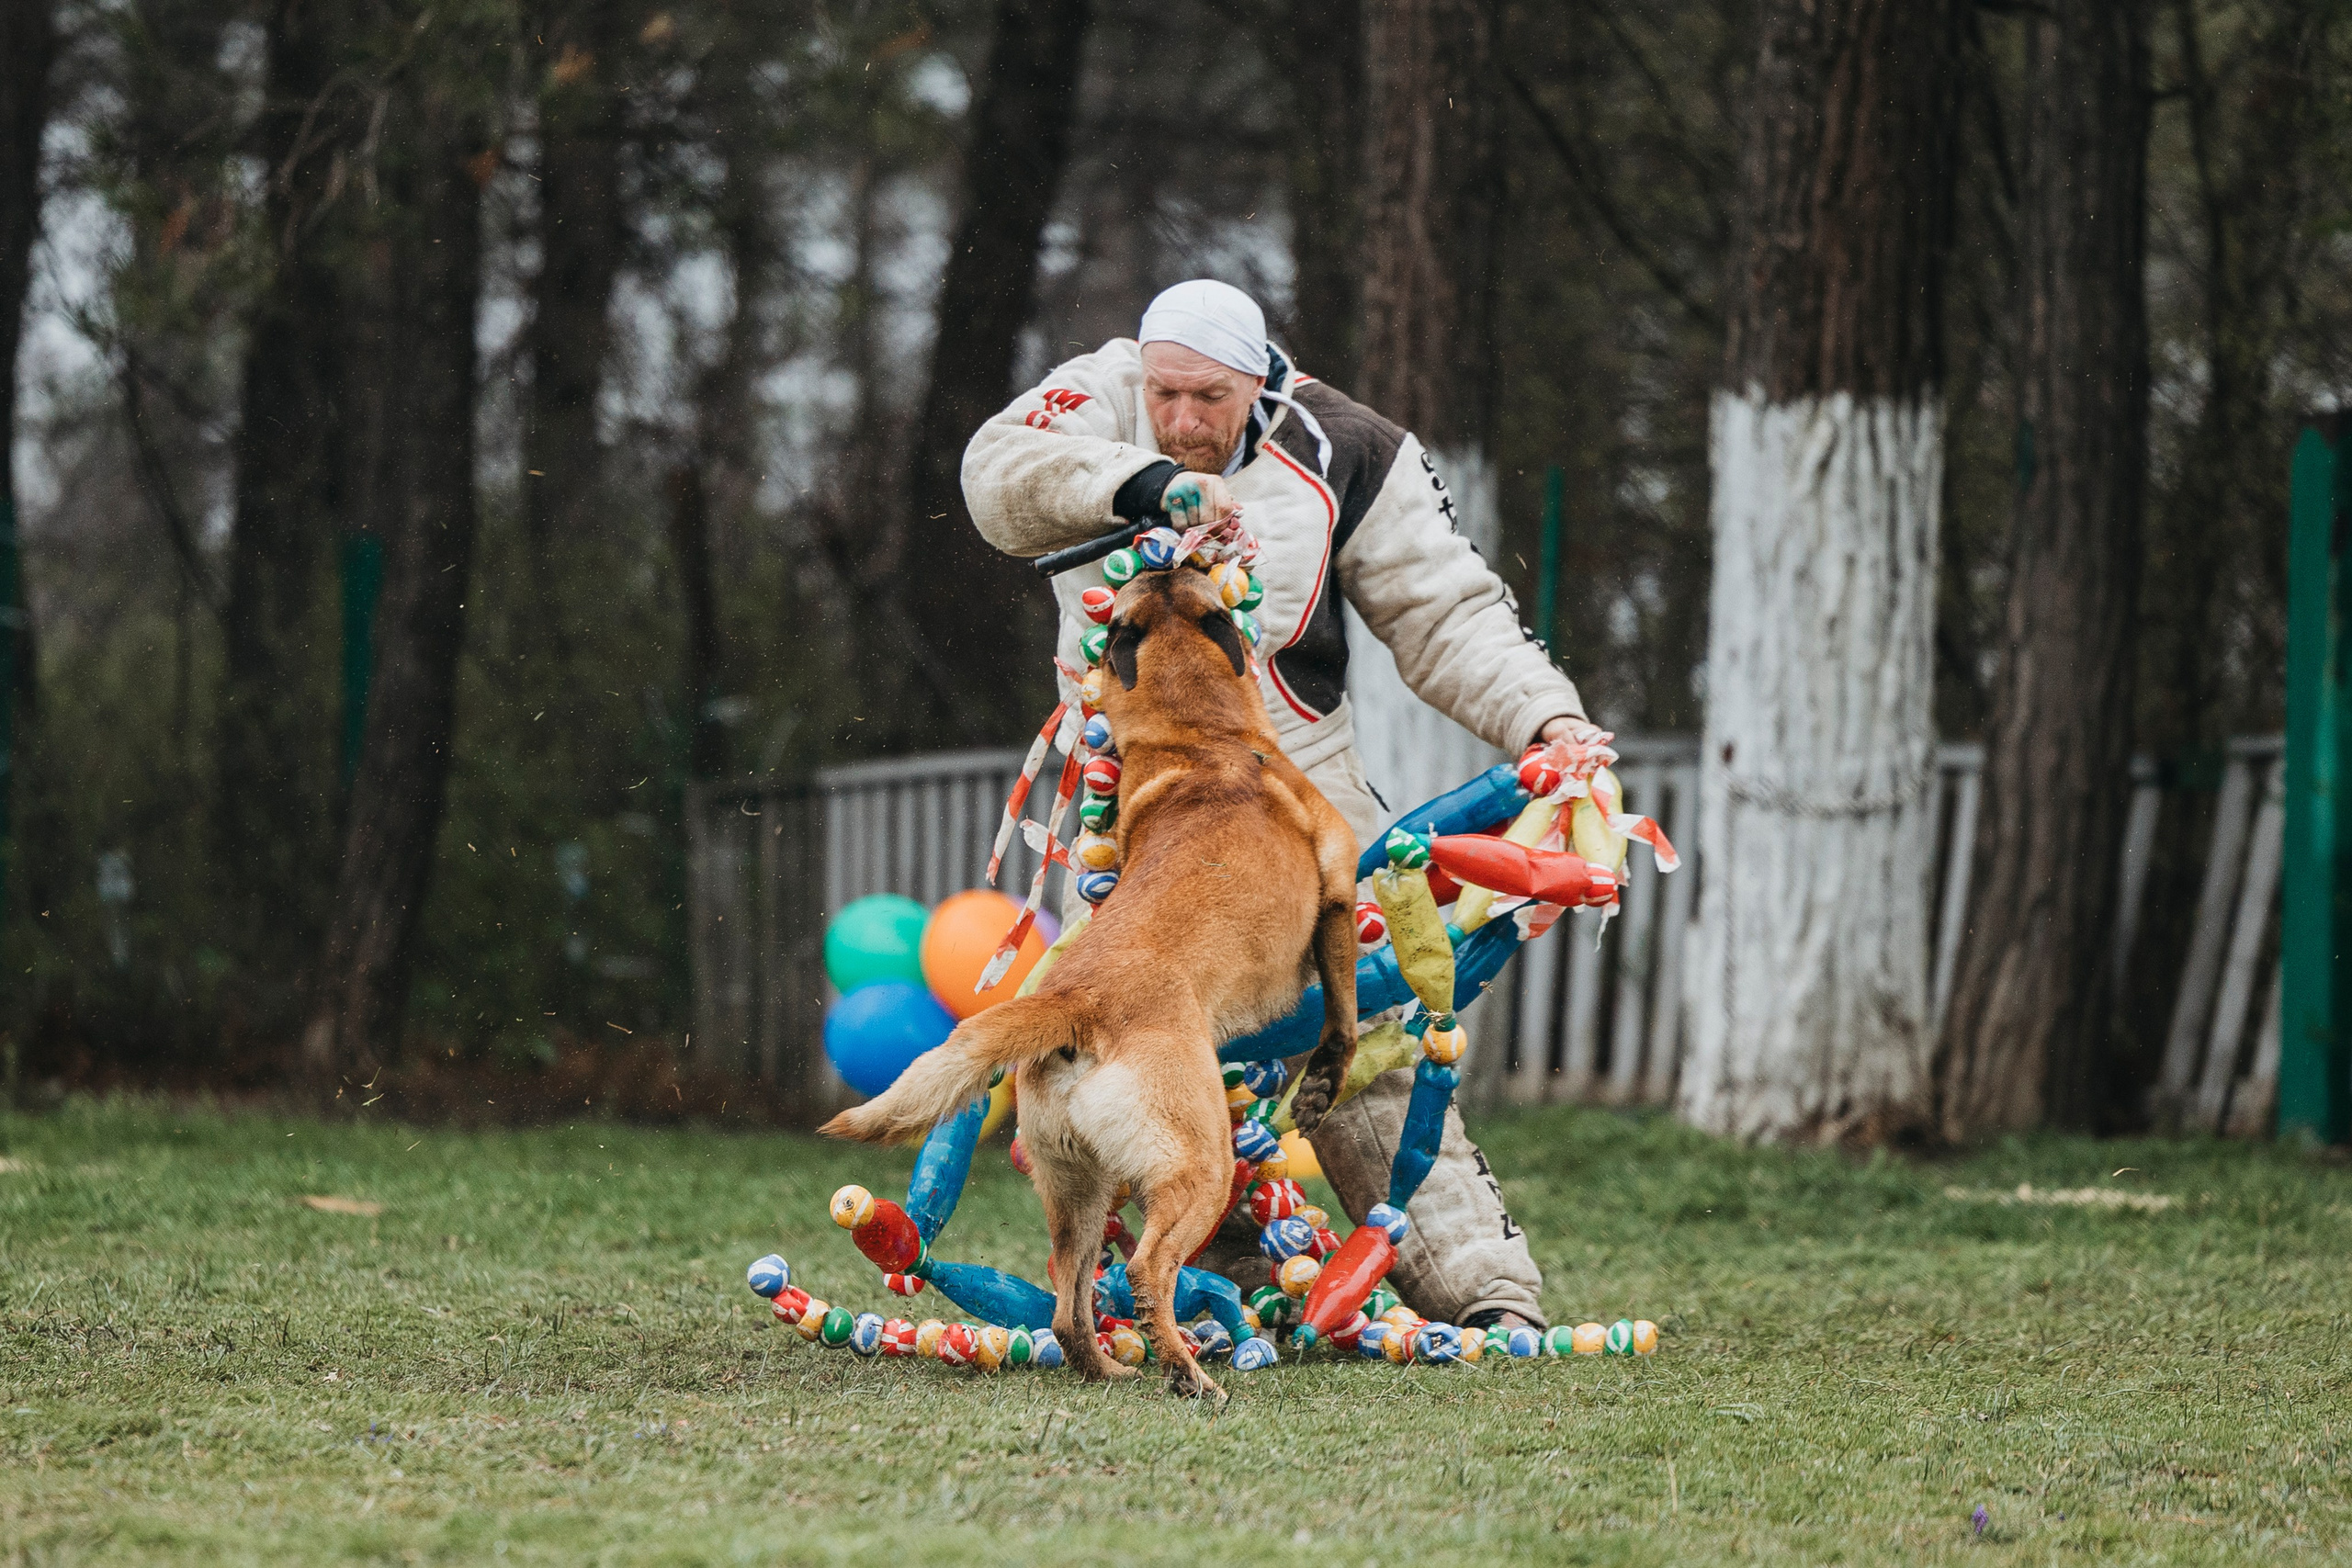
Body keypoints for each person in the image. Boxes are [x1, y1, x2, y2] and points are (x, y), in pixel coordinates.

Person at [961, 278, 1594, 1333]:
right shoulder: (1101, 393)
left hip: (1294, 780)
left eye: (1207, 399)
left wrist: (1547, 718)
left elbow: (1446, 612)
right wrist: (1146, 482)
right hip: (1126, 799)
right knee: (1128, 1033)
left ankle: (1480, 1290)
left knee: (1368, 1030)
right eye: (1165, 394)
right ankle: (1214, 1280)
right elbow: (995, 478)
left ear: (1260, 381)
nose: (1181, 418)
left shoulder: (1353, 449)